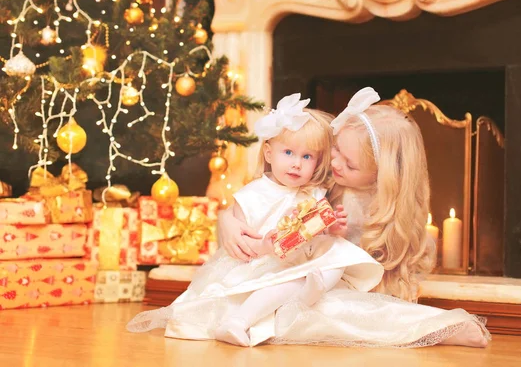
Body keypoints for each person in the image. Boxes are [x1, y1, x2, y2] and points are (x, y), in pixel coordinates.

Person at [215, 87, 490, 348]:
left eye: (350, 164)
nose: (334, 163)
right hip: (300, 278)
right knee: (317, 310)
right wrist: (226, 219)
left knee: (345, 311)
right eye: (335, 151)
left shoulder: (384, 207)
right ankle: (437, 328)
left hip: (347, 289)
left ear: (382, 175)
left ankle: (439, 328)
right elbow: (268, 197)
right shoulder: (321, 180)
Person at [126, 93, 383, 347]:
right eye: (289, 153)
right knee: (288, 280)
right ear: (269, 154)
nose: (296, 164)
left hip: (304, 259)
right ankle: (238, 321)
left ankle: (309, 294)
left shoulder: (315, 193)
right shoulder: (252, 195)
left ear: (316, 163)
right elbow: (238, 248)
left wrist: (334, 229)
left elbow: (319, 235)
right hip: (266, 262)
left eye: (306, 157)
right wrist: (265, 246)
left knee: (339, 252)